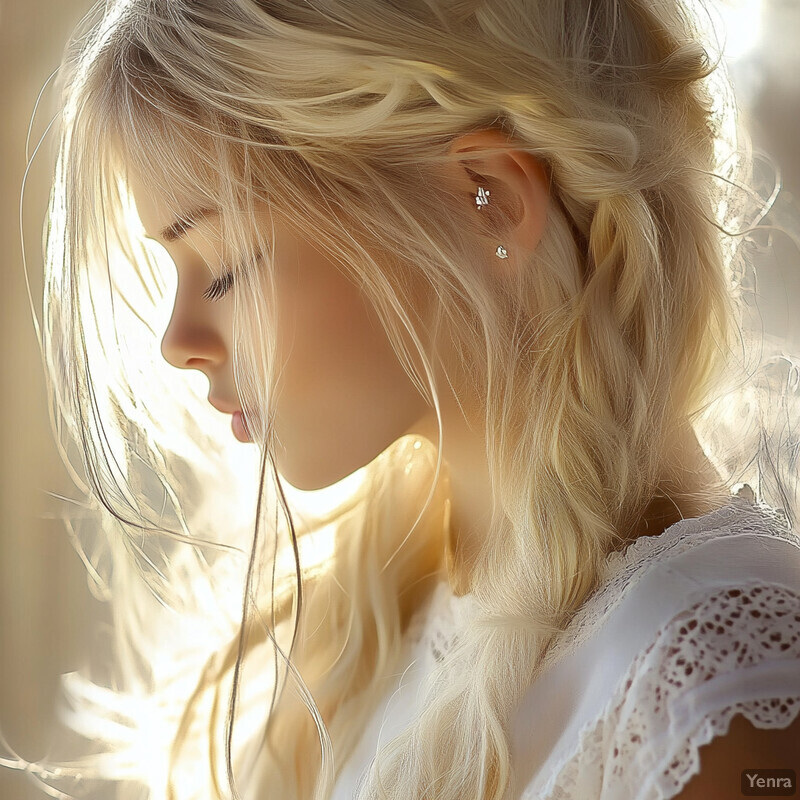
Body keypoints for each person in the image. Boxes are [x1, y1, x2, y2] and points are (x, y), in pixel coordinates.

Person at [3, 0, 800, 798]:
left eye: (222, 265)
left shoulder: (722, 690)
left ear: (488, 197)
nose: (178, 339)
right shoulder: (388, 621)